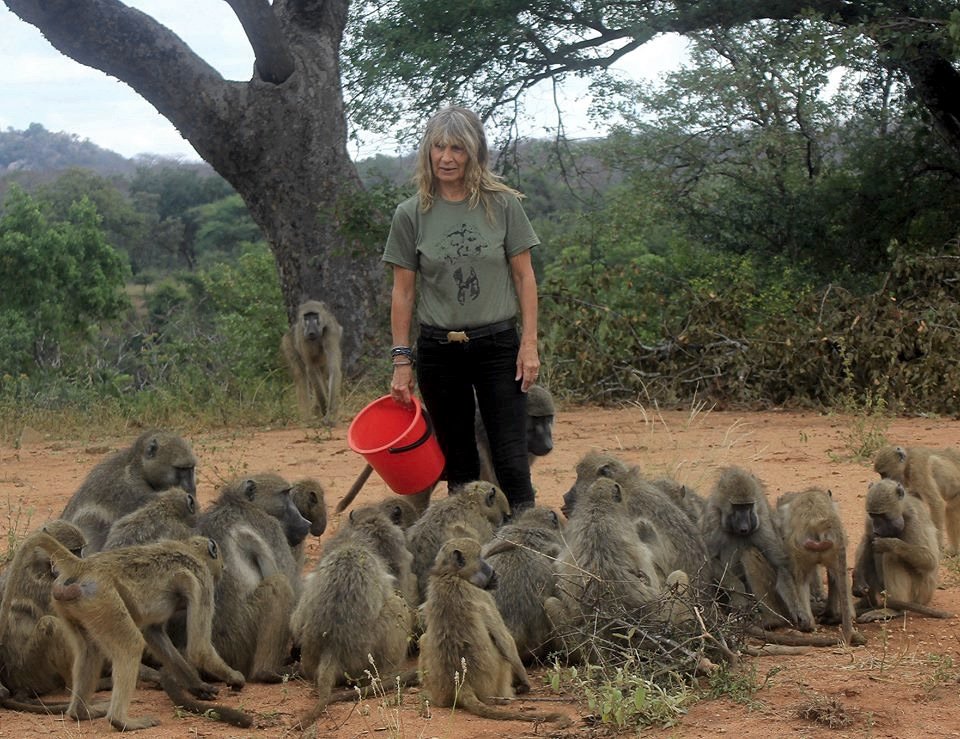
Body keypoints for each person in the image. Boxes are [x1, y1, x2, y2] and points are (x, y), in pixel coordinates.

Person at [382, 105, 541, 511]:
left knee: (511, 460)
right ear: (427, 152)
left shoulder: (503, 205)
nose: (447, 158)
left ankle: (529, 547)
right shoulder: (410, 214)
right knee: (460, 465)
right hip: (439, 351)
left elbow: (524, 277)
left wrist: (529, 344)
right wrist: (402, 360)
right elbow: (402, 293)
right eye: (439, 147)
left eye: (457, 148)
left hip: (498, 346)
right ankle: (471, 553)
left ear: (475, 154)